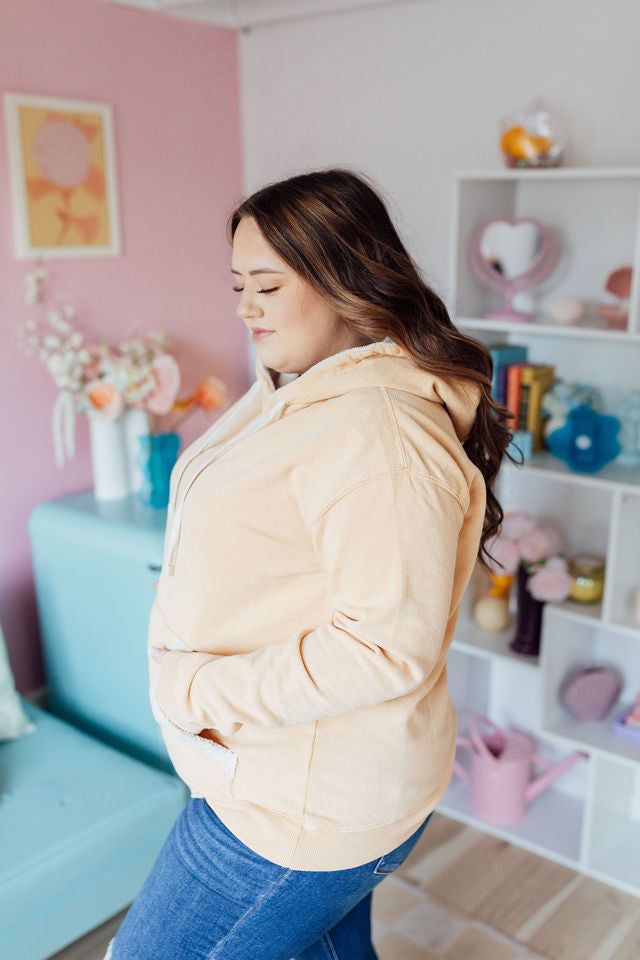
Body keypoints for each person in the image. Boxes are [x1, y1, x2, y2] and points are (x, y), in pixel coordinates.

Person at [106, 168, 516, 960]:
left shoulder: (379, 432)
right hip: (285, 774)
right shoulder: (297, 391)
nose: (244, 305)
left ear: (347, 280)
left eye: (266, 283)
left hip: (297, 806)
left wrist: (198, 690)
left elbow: (384, 646)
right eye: (237, 284)